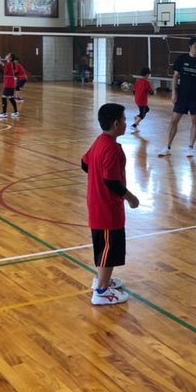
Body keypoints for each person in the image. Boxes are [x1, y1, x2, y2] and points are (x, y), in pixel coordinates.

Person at [81, 103, 139, 305]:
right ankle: (101, 291)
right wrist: (131, 198)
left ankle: (102, 279)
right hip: (107, 208)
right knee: (108, 249)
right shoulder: (112, 149)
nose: (126, 123)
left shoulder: (100, 141)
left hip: (97, 204)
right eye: (124, 120)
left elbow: (84, 163)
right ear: (115, 124)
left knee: (105, 247)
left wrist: (96, 177)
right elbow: (111, 181)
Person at [158, 36, 196, 157]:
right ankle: (168, 147)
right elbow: (175, 76)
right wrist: (174, 92)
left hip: (195, 97)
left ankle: (190, 147)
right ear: (190, 46)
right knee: (174, 121)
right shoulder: (181, 59)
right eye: (195, 46)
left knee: (195, 121)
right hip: (181, 96)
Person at [131, 66, 154, 131]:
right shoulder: (147, 83)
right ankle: (134, 125)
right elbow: (151, 92)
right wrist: (152, 87)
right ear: (147, 74)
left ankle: (136, 117)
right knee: (142, 114)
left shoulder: (137, 81)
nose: (148, 76)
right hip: (142, 101)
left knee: (146, 109)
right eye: (149, 75)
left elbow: (134, 91)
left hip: (137, 100)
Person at [0, 53, 19, 119]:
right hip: (10, 84)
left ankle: (4, 113)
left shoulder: (9, 64)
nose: (6, 55)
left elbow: (4, 72)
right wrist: (1, 64)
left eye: (8, 55)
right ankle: (16, 112)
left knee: (4, 97)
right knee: (10, 98)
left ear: (10, 58)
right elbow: (6, 68)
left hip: (9, 84)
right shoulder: (9, 64)